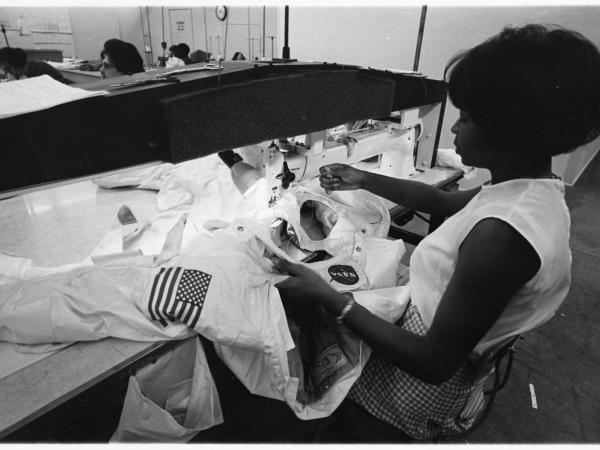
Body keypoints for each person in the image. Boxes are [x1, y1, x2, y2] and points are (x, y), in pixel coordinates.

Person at [273, 24, 600, 441]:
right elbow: (444, 203)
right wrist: (364, 179)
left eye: (466, 119)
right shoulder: (530, 190)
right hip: (440, 343)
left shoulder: (502, 237)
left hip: (412, 393)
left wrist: (329, 299)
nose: (454, 129)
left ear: (508, 131)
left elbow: (432, 363)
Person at [0, 47, 72, 83]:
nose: (6, 72)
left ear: (15, 64)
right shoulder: (22, 71)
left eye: (7, 69)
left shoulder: (39, 68)